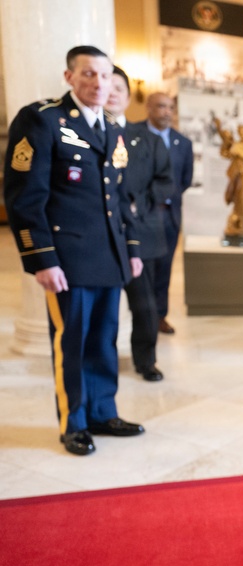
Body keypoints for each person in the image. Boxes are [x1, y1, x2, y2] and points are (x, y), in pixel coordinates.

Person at [4, 46, 146, 455]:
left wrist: (131, 249)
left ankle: (102, 412)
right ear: (69, 77)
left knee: (104, 340)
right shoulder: (42, 119)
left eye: (104, 76)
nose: (98, 84)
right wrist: (41, 258)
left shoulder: (113, 129)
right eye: (88, 75)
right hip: (67, 260)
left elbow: (119, 197)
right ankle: (75, 422)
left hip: (109, 257)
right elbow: (24, 197)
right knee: (73, 342)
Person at [106, 66, 174, 382]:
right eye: (107, 85)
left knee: (145, 307)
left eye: (119, 87)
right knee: (102, 311)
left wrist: (140, 203)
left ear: (128, 95)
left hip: (141, 233)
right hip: (101, 238)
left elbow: (166, 180)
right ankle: (102, 361)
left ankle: (145, 360)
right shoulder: (85, 134)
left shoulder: (147, 140)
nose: (111, 91)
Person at [144, 91, 193, 335]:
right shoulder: (132, 135)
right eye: (161, 106)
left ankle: (159, 316)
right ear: (148, 108)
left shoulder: (182, 143)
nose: (166, 112)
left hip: (168, 216)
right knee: (142, 271)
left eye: (170, 108)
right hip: (140, 217)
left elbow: (185, 180)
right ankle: (140, 318)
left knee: (164, 269)